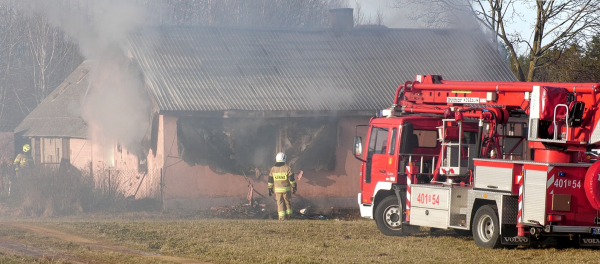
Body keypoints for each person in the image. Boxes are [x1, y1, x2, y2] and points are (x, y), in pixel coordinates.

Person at [268, 152, 297, 220]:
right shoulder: (287, 168)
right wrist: (294, 186)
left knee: (280, 204)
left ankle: (281, 218)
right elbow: (291, 179)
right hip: (286, 190)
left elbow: (270, 180)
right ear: (284, 159)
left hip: (277, 191)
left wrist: (270, 188)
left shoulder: (273, 169)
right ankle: (289, 217)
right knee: (287, 203)